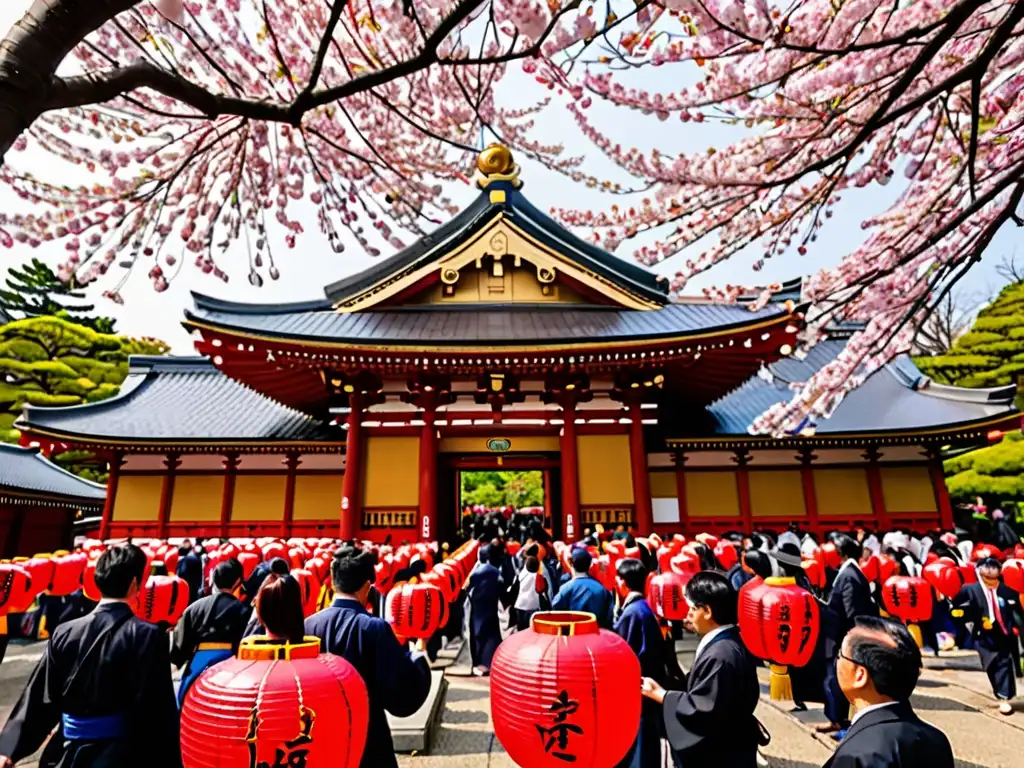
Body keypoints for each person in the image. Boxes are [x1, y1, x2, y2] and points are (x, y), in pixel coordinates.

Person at [0, 544, 181, 768]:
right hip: (120, 755)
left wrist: (8, 750)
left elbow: (38, 697)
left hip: (65, 752)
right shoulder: (148, 636)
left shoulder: (65, 631)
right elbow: (157, 711)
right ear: (135, 583)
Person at [305, 546, 431, 768]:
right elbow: (399, 687)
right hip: (366, 733)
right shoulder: (374, 628)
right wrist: (418, 655)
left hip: (321, 733)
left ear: (334, 583)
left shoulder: (309, 625)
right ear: (366, 586)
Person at [641, 572, 761, 768]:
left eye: (692, 608)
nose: (688, 614)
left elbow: (702, 708)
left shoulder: (721, 654)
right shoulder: (727, 643)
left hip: (723, 752)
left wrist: (662, 695)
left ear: (707, 611)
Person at [824, 616, 954, 767]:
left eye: (840, 655)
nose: (837, 662)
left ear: (860, 675)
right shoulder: (937, 740)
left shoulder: (856, 755)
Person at [170, 560, 251, 707]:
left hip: (196, 669)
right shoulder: (243, 610)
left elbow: (178, 652)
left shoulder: (193, 609)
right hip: (232, 671)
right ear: (238, 582)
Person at [820, 534, 879, 736]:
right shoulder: (848, 573)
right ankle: (836, 719)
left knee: (834, 679)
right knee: (832, 679)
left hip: (843, 638)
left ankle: (841, 722)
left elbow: (852, 611)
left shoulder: (850, 576)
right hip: (838, 635)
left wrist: (851, 640)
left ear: (841, 554)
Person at [951, 557, 1024, 715]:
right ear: (979, 572)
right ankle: (1000, 691)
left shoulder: (1007, 591)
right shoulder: (969, 589)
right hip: (982, 634)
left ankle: (1004, 697)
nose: (990, 574)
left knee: (1003, 662)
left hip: (1003, 632)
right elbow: (955, 608)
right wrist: (970, 617)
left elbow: (1017, 613)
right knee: (991, 664)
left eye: (994, 571)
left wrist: (1016, 628)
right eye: (986, 571)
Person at [614, 559, 666, 768]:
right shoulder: (642, 608)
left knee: (639, 744)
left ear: (624, 583)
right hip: (647, 685)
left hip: (638, 688)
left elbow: (624, 654)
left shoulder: (632, 613)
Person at [552, 549, 614, 628]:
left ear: (570, 563)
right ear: (590, 565)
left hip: (574, 635)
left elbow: (555, 610)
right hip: (597, 635)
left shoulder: (566, 588)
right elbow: (609, 617)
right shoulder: (602, 589)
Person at [467, 544, 503, 675]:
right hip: (491, 605)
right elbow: (501, 586)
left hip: (478, 607)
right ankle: (492, 661)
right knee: (492, 633)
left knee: (478, 634)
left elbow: (467, 589)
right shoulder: (495, 571)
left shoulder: (475, 573)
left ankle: (480, 662)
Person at [513, 554, 548, 631]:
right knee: (530, 630)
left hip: (520, 605)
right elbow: (541, 591)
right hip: (533, 607)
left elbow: (514, 589)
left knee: (520, 629)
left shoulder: (520, 575)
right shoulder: (539, 577)